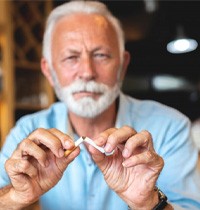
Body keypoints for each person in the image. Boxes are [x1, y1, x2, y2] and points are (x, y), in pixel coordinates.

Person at [0, 1, 200, 209]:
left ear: (122, 66)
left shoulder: (169, 126)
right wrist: (16, 196)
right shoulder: (27, 131)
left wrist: (149, 202)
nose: (87, 72)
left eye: (101, 55)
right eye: (71, 57)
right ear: (49, 71)